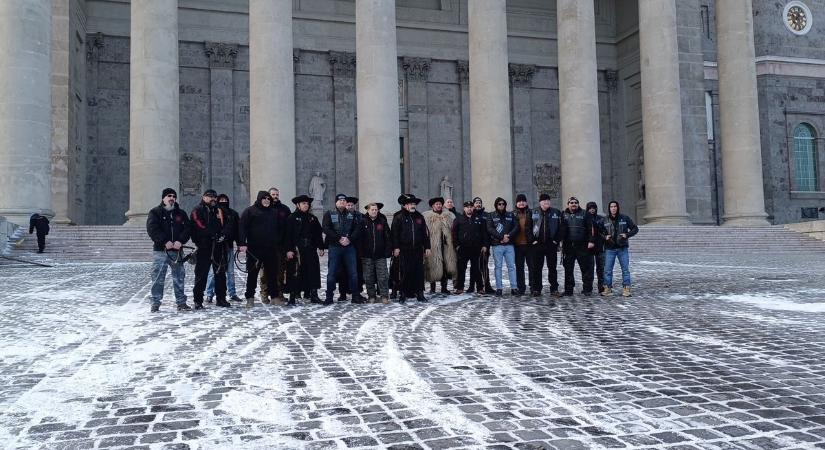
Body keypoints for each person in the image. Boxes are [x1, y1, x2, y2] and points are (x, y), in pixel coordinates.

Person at [146, 188, 192, 312]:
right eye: (169, 196)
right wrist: (164, 241)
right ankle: (155, 303)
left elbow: (188, 228)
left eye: (174, 196)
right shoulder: (155, 212)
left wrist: (180, 241)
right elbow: (152, 229)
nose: (171, 198)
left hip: (177, 251)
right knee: (157, 278)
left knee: (179, 277)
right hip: (161, 251)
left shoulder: (181, 213)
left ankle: (181, 303)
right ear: (163, 198)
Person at [238, 191, 285, 307]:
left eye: (268, 199)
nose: (267, 200)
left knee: (272, 274)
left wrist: (278, 240)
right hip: (254, 249)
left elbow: (281, 228)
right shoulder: (250, 211)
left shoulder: (274, 212)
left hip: (271, 248)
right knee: (252, 274)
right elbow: (242, 227)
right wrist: (242, 243)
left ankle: (274, 297)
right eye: (264, 198)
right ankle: (250, 298)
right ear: (259, 199)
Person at [190, 189, 231, 308]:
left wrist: (223, 234)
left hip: (219, 246)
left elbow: (228, 224)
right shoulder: (197, 210)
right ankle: (198, 300)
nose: (212, 198)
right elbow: (199, 224)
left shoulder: (220, 210)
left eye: (214, 196)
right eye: (209, 196)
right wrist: (212, 234)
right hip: (204, 246)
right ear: (204, 197)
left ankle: (221, 298)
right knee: (201, 274)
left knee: (220, 274)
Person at [284, 195, 325, 306]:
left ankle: (314, 295)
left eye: (307, 203)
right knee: (295, 272)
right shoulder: (291, 218)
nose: (306, 205)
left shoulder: (312, 218)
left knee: (313, 271)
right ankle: (292, 296)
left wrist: (321, 247)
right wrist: (288, 250)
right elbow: (287, 236)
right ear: (298, 205)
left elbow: (318, 235)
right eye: (303, 203)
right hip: (296, 250)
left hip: (310, 249)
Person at [322, 193, 363, 304]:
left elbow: (357, 229)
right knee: (332, 273)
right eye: (340, 200)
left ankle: (355, 296)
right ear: (336, 202)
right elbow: (326, 228)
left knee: (353, 273)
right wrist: (339, 238)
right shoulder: (329, 214)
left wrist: (350, 239)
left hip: (349, 247)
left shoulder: (352, 214)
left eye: (344, 200)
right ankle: (329, 297)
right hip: (335, 247)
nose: (342, 202)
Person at [391, 194, 431, 303]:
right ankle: (403, 293)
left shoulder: (419, 216)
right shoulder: (398, 216)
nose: (413, 206)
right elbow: (394, 234)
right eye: (410, 204)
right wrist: (396, 247)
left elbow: (425, 234)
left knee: (418, 272)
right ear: (405, 205)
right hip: (404, 250)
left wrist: (427, 247)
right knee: (404, 272)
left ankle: (420, 293)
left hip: (418, 249)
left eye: (414, 204)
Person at [206, 194, 241, 303]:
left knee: (230, 271)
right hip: (216, 246)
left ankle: (232, 293)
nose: (223, 201)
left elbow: (237, 230)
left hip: (228, 245)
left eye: (225, 199)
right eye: (221, 200)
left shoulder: (233, 214)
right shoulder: (213, 212)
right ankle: (209, 294)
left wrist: (240, 243)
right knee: (213, 271)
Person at [529, 193, 564, 297]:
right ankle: (536, 289)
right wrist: (532, 240)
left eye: (548, 200)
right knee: (537, 268)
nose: (546, 202)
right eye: (544, 201)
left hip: (551, 245)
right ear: (540, 202)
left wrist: (556, 241)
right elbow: (528, 227)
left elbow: (561, 228)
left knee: (552, 268)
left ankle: (554, 289)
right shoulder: (533, 212)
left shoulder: (556, 212)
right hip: (537, 244)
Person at [260, 187, 291, 304]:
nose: (275, 196)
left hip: (280, 246)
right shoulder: (263, 209)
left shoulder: (284, 209)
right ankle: (264, 294)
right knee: (264, 272)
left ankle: (279, 294)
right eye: (273, 194)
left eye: (277, 194)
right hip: (266, 245)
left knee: (280, 271)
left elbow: (288, 228)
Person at [601, 200, 638, 297]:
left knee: (625, 269)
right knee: (608, 270)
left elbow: (635, 228)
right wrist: (605, 237)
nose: (613, 208)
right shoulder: (604, 220)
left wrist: (627, 234)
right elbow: (598, 232)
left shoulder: (624, 218)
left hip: (622, 248)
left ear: (618, 208)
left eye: (615, 206)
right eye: (611, 207)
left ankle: (626, 288)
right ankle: (607, 288)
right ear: (609, 208)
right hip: (610, 248)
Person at [561, 197, 597, 296]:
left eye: (576, 203)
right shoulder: (563, 214)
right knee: (568, 269)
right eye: (571, 202)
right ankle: (568, 290)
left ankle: (587, 289)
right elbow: (561, 229)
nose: (574, 204)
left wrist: (591, 241)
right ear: (568, 204)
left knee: (585, 269)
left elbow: (591, 228)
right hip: (568, 246)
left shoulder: (585, 213)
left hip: (583, 246)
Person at [452, 200, 488, 294]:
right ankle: (460, 287)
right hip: (463, 248)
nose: (469, 208)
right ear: (464, 208)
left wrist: (484, 245)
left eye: (471, 207)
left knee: (476, 268)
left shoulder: (479, 219)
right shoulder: (459, 219)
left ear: (473, 208)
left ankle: (480, 288)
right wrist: (457, 246)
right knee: (461, 268)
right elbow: (454, 233)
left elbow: (484, 233)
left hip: (476, 248)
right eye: (467, 207)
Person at [423, 197, 457, 295]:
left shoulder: (449, 216)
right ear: (433, 206)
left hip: (446, 245)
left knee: (445, 265)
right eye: (436, 204)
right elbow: (424, 232)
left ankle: (444, 287)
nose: (438, 206)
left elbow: (453, 230)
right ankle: (432, 287)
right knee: (433, 264)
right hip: (433, 245)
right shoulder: (427, 217)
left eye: (440, 204)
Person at [359, 202, 392, 303]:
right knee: (368, 277)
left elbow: (388, 237)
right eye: (372, 210)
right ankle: (371, 296)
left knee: (383, 276)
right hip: (367, 255)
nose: (374, 211)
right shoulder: (363, 222)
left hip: (380, 255)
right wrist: (361, 252)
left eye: (376, 210)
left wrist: (387, 250)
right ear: (368, 211)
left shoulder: (382, 222)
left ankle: (384, 296)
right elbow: (359, 238)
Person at [486, 197, 519, 296]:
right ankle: (499, 288)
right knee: (498, 267)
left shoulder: (510, 215)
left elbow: (516, 227)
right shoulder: (491, 215)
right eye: (499, 204)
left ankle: (514, 288)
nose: (501, 206)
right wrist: (501, 237)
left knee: (511, 267)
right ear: (496, 205)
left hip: (509, 244)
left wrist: (508, 236)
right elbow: (490, 228)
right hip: (497, 244)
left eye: (503, 204)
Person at [336, 196, 365, 300]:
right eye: (348, 205)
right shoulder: (342, 215)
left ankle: (357, 291)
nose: (350, 206)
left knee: (357, 271)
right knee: (342, 271)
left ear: (355, 206)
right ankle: (342, 293)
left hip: (357, 247)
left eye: (352, 205)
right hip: (344, 246)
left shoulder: (360, 216)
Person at [512, 194, 535, 297]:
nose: (521, 203)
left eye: (523, 201)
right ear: (516, 203)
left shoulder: (532, 213)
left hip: (530, 245)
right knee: (519, 268)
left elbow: (537, 226)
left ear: (526, 202)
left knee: (532, 267)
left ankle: (533, 287)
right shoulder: (512, 214)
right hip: (517, 246)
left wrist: (535, 240)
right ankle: (521, 288)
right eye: (519, 201)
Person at [473, 196, 494, 294]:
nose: (478, 204)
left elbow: (488, 231)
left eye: (479, 202)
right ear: (473, 205)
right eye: (476, 202)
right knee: (474, 267)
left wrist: (486, 245)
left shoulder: (487, 215)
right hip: (474, 245)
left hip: (485, 245)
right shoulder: (471, 215)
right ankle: (475, 287)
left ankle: (487, 286)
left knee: (484, 266)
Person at [586, 201, 606, 294]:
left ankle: (601, 287)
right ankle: (588, 288)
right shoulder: (585, 219)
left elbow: (605, 231)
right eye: (590, 208)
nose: (592, 209)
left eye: (593, 207)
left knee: (601, 268)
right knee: (589, 268)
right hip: (589, 247)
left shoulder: (601, 219)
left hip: (599, 246)